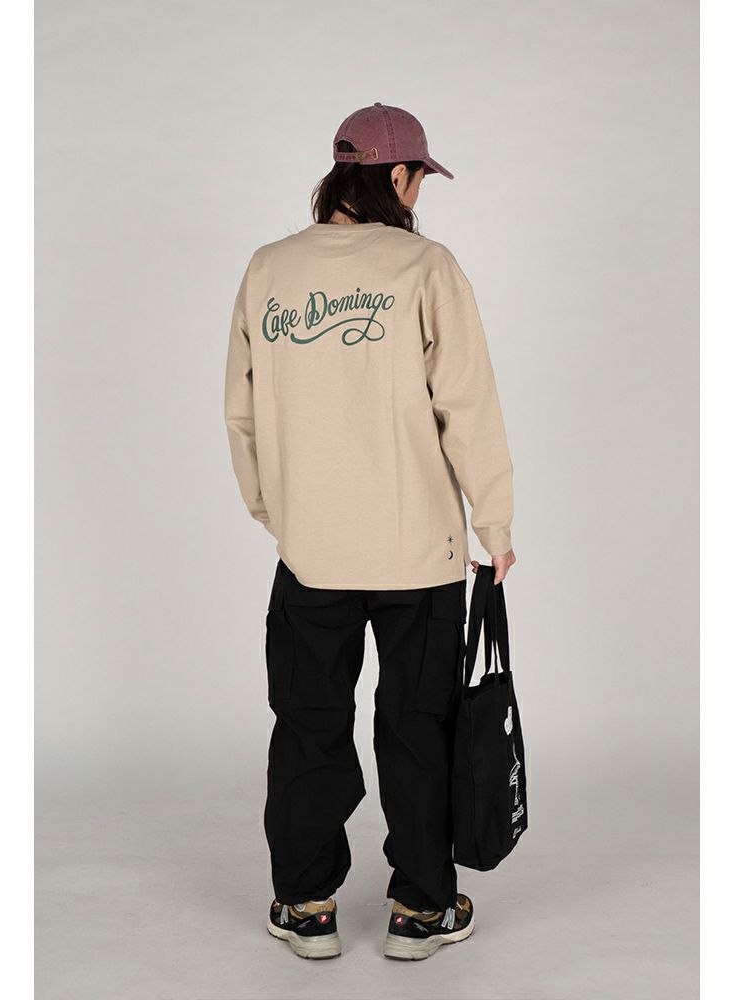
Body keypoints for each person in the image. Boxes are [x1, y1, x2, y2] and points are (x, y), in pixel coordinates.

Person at [224, 102, 516, 961]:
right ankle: (420, 911)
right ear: (396, 175)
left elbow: (242, 413)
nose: (420, 193)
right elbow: (468, 406)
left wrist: (281, 514)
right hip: (418, 555)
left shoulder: (270, 269)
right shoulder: (426, 267)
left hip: (310, 554)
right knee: (417, 727)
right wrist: (494, 522)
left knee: (308, 724)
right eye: (420, 177)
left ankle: (306, 905)